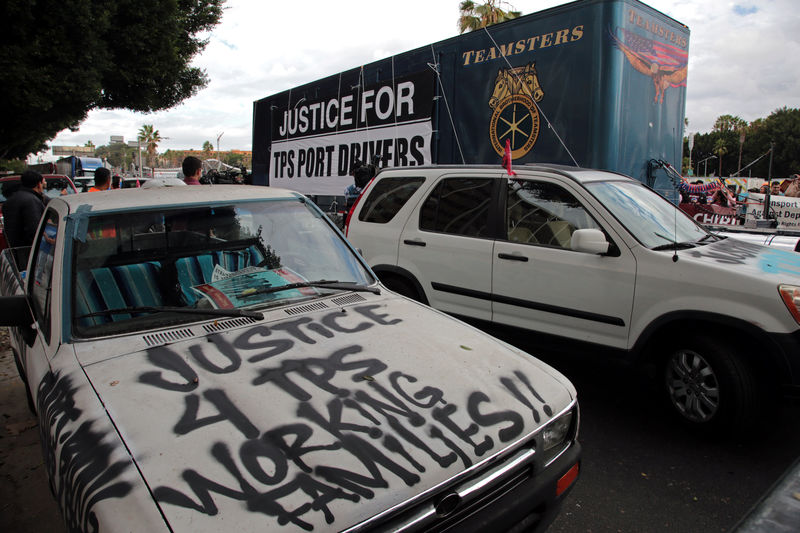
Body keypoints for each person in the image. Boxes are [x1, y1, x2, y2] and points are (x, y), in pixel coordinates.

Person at [3, 171, 47, 265]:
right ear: (38, 184)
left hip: (15, 250)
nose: (44, 185)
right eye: (43, 183)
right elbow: (35, 229)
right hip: (28, 252)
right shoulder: (31, 201)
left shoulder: (11, 199)